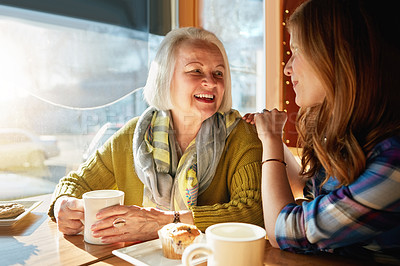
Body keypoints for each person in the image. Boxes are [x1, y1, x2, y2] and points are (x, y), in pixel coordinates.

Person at [48, 27, 263, 243]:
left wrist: (163, 222)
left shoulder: (241, 134)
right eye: (195, 70)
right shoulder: (134, 134)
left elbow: (253, 212)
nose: (212, 82)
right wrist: (63, 206)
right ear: (165, 78)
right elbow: (76, 183)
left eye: (219, 73)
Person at [243, 0, 400, 263]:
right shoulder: (348, 139)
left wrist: (271, 142)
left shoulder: (392, 164)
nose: (287, 68)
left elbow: (281, 229)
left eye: (296, 51)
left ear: (336, 58)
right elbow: (303, 187)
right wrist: (272, 138)